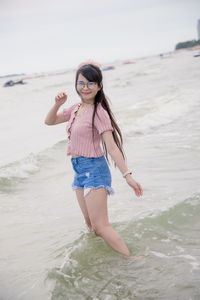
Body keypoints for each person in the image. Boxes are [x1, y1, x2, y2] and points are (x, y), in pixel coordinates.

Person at [44, 62, 143, 257]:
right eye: (81, 83)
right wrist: (57, 104)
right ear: (76, 85)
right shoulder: (75, 108)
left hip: (94, 169)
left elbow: (112, 147)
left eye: (91, 83)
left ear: (99, 86)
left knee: (101, 227)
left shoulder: (99, 112)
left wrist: (127, 175)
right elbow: (49, 121)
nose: (85, 87)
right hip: (79, 170)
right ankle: (102, 258)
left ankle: (132, 260)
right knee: (90, 224)